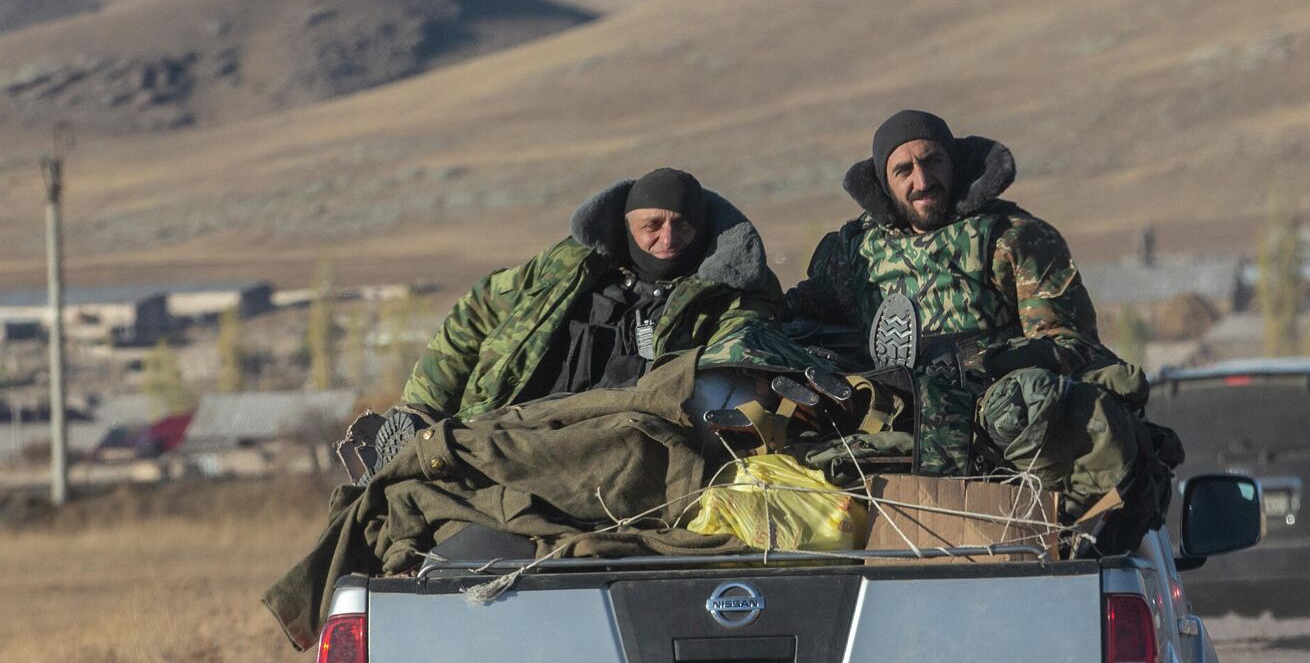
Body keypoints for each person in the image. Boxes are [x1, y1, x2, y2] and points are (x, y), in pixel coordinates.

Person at [403, 168, 783, 422]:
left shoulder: (731, 294)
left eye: (682, 226)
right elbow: (478, 309)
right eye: (652, 225)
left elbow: (744, 339)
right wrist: (424, 407)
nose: (667, 239)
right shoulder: (567, 268)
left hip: (627, 442)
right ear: (626, 224)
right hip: (510, 424)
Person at [786, 109, 1107, 381]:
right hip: (889, 421)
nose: (923, 181)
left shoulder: (1012, 238)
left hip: (996, 424)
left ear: (954, 164)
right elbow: (798, 314)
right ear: (885, 184)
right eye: (904, 170)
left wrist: (980, 365)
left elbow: (1072, 346)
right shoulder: (856, 253)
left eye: (933, 161)